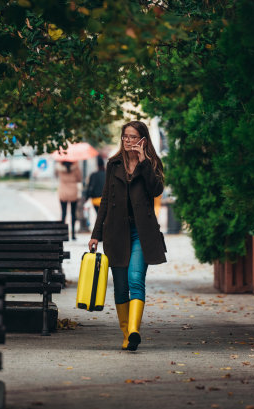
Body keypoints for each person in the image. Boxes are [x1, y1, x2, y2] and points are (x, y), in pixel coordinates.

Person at [88, 121, 167, 351]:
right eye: (125, 137)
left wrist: (143, 162)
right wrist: (96, 234)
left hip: (141, 233)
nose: (128, 141)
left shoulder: (150, 163)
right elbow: (104, 200)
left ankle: (134, 331)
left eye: (133, 137)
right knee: (121, 287)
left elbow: (156, 191)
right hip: (116, 233)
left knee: (135, 280)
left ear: (143, 139)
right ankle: (126, 334)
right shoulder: (113, 164)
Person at [56, 160, 82, 240]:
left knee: (63, 213)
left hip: (63, 191)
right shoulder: (76, 167)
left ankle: (63, 234)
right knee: (73, 213)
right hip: (73, 192)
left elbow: (56, 175)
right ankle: (73, 234)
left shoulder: (59, 167)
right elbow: (79, 179)